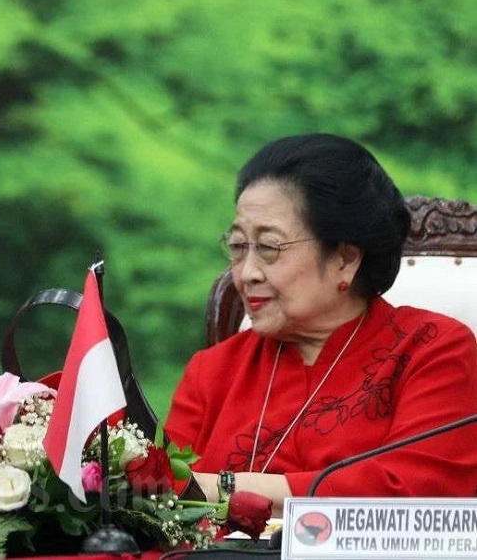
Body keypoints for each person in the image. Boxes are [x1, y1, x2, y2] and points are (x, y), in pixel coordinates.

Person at [165, 133, 477, 514]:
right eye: (237, 246)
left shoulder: (432, 348)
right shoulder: (212, 371)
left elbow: (416, 493)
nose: (246, 274)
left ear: (345, 258)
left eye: (269, 247)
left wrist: (221, 487)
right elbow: (161, 494)